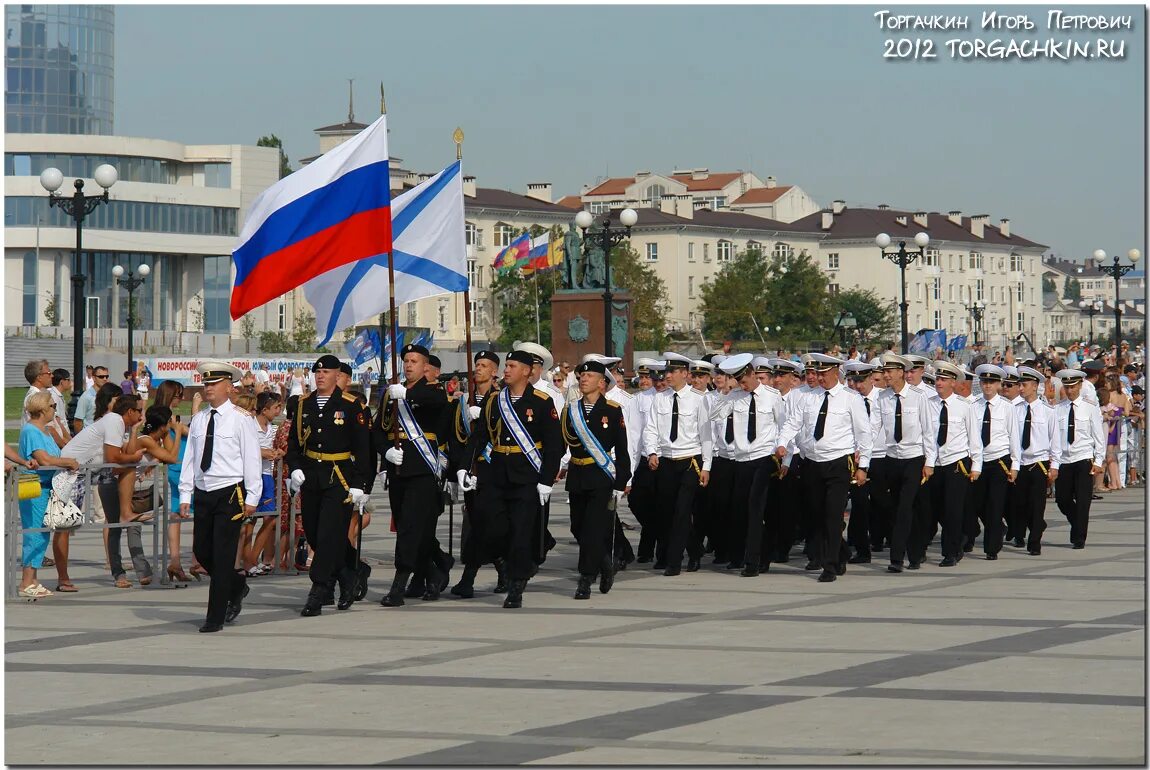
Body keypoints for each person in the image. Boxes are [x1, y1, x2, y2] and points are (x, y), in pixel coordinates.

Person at [460, 348, 563, 608]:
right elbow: (480, 436)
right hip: (496, 474)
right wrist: (464, 467)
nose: (507, 370)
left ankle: (516, 584)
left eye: (513, 366)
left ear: (527, 371)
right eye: (506, 365)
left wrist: (546, 480)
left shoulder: (541, 402)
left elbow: (553, 445)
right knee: (490, 526)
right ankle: (514, 563)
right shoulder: (495, 401)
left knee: (520, 531)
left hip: (527, 476)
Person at [179, 360, 262, 632]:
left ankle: (214, 616)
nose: (208, 388)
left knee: (223, 554)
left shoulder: (242, 419)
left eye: (214, 384)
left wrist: (253, 496)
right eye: (206, 383)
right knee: (203, 551)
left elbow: (251, 458)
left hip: (229, 492)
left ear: (229, 387)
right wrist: (185, 494)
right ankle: (236, 585)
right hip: (204, 491)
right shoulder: (200, 419)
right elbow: (190, 458)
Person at [286, 355, 372, 616]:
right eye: (317, 371)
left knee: (328, 534)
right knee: (314, 532)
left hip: (339, 478)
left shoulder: (350, 406)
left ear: (338, 375)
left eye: (326, 371)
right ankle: (349, 572)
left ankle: (319, 588)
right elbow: (294, 443)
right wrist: (295, 468)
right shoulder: (304, 404)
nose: (320, 375)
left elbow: (363, 449)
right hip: (312, 475)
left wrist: (361, 484)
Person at [776, 353, 872, 583]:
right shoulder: (809, 398)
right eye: (816, 373)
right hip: (813, 463)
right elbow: (793, 422)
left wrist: (864, 466)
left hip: (838, 463)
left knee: (833, 514)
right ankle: (841, 552)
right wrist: (782, 442)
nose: (819, 378)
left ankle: (828, 566)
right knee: (817, 515)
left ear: (835, 372)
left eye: (823, 373)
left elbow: (864, 434)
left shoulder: (851, 398)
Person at [376, 344, 449, 606]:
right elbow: (378, 430)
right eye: (405, 360)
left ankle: (399, 584)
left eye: (414, 361)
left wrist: (406, 394)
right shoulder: (390, 395)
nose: (408, 365)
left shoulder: (432, 391)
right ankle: (435, 569)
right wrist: (385, 454)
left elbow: (435, 404)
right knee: (412, 528)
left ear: (425, 367)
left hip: (423, 469)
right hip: (398, 468)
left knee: (410, 527)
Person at [559, 360, 631, 599]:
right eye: (581, 376)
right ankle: (604, 562)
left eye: (589, 376)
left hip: (601, 477)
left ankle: (585, 579)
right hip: (578, 475)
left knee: (593, 528)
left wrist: (622, 482)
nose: (583, 379)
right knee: (578, 527)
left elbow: (622, 449)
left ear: (602, 383)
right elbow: (562, 444)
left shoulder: (612, 410)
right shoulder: (570, 410)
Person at [711, 354, 787, 577]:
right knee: (742, 511)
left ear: (754, 374)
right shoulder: (734, 397)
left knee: (756, 509)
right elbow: (714, 415)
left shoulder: (772, 396)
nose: (743, 386)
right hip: (742, 460)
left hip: (765, 458)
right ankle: (755, 555)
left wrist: (784, 457)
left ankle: (752, 562)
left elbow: (784, 426)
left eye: (744, 381)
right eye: (738, 382)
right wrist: (728, 393)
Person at [641, 352, 713, 576]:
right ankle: (694, 549)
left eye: (672, 372)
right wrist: (651, 452)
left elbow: (706, 435)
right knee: (668, 512)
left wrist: (707, 467)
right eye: (666, 371)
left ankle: (674, 561)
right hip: (666, 460)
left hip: (690, 459)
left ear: (685, 374)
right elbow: (650, 428)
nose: (667, 375)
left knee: (683, 510)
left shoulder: (700, 399)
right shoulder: (660, 398)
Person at [449, 350, 505, 598]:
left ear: (495, 372)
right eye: (476, 365)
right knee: (476, 524)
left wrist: (482, 417)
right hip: (471, 471)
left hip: (493, 470)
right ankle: (478, 575)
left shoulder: (502, 399)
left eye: (484, 365)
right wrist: (456, 472)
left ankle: (486, 574)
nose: (478, 369)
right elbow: (456, 440)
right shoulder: (463, 402)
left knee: (489, 525)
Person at [18, 392, 80, 597]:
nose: (55, 409)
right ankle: (26, 581)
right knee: (34, 534)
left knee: (42, 534)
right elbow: (43, 459)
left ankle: (32, 580)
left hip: (47, 487)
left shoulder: (44, 431)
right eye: (53, 406)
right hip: (34, 487)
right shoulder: (31, 431)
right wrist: (67, 462)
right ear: (43, 409)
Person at [875, 354, 932, 573]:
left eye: (890, 372)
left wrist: (930, 462)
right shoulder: (883, 398)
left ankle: (897, 557)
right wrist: (863, 453)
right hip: (892, 459)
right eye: (884, 371)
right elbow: (873, 427)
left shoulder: (919, 397)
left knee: (905, 507)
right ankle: (915, 552)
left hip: (914, 458)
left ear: (901, 372)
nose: (886, 376)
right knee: (900, 508)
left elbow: (928, 432)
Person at [922, 361, 979, 567]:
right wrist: (928, 462)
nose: (939, 383)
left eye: (944, 379)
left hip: (957, 463)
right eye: (937, 379)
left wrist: (976, 466)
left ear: (953, 383)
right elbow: (928, 436)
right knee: (936, 509)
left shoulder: (964, 406)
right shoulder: (928, 404)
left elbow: (974, 438)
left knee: (952, 509)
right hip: (935, 463)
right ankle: (956, 539)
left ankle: (951, 551)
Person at [966, 364, 1020, 560]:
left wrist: (1015, 465)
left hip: (999, 461)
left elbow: (1014, 437)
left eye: (991, 382)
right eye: (984, 381)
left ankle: (992, 548)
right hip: (978, 461)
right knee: (977, 503)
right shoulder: (973, 406)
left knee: (995, 504)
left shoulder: (1007, 407)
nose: (987, 385)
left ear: (998, 384)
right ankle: (996, 529)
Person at [153, 380, 205, 583]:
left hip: (178, 465)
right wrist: (195, 410)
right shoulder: (166, 416)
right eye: (178, 395)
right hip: (182, 466)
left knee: (176, 512)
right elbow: (194, 433)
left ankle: (176, 561)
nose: (180, 399)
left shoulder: (163, 413)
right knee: (197, 511)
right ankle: (196, 560)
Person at [1009, 366, 1061, 556]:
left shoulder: (1048, 411)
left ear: (1034, 386)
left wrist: (1054, 465)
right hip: (1020, 463)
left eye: (1024, 385)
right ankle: (1031, 528)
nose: (1020, 388)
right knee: (1021, 504)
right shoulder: (1015, 410)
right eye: (1019, 385)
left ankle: (1034, 542)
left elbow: (1055, 441)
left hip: (1039, 463)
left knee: (1038, 505)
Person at [1053, 370, 1106, 548]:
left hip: (1083, 458)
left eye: (1073, 386)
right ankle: (1077, 521)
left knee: (1083, 500)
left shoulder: (1090, 407)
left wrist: (1098, 461)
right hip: (1064, 460)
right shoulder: (1058, 409)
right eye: (1066, 387)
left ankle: (1079, 537)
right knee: (1062, 499)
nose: (1070, 390)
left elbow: (1099, 436)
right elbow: (1053, 437)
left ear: (1080, 386)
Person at [243, 391, 283, 576]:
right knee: (249, 520)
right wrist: (262, 452)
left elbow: (275, 448)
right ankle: (247, 562)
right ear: (264, 409)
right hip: (251, 475)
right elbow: (243, 447)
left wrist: (277, 453)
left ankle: (253, 557)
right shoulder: (249, 425)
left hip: (267, 475)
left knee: (270, 517)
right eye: (276, 408)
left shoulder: (273, 428)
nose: (278, 411)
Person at [74, 365, 108, 433]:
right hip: (89, 437)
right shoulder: (86, 396)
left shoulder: (106, 395)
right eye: (101, 377)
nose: (104, 379)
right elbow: (78, 421)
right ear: (94, 378)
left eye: (106, 376)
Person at [22, 359, 52, 427]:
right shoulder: (35, 397)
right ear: (39, 377)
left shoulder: (36, 394)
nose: (52, 376)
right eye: (49, 373)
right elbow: (46, 426)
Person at [47, 369, 73, 446]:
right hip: (60, 440)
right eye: (68, 380)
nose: (70, 382)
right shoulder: (54, 397)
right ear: (62, 381)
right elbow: (57, 422)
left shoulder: (58, 395)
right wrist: (69, 440)